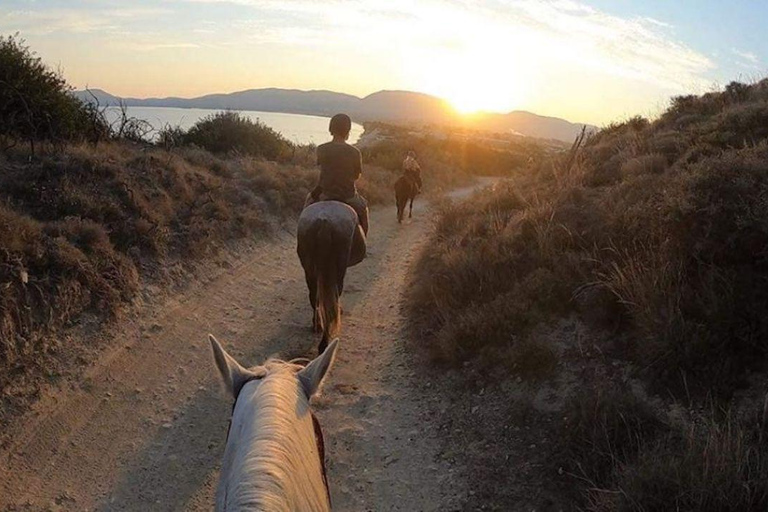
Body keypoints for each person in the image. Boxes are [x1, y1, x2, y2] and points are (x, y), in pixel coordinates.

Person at [306, 113, 369, 235]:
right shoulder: (355, 152)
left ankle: (301, 238)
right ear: (348, 131)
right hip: (348, 194)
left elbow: (321, 167)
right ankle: (362, 248)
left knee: (307, 205)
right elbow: (356, 176)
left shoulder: (321, 148)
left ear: (331, 129)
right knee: (363, 211)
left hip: (324, 193)